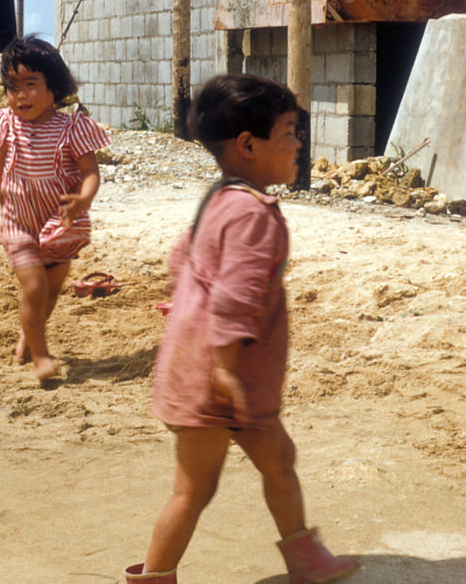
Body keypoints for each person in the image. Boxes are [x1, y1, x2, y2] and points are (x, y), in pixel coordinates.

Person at [124, 73, 357, 584]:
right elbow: (236, 294)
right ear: (248, 144)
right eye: (290, 132)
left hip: (215, 369)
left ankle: (305, 556)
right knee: (194, 489)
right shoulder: (253, 214)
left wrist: (185, 314)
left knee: (278, 459)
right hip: (223, 380)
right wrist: (225, 368)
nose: (299, 144)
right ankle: (155, 576)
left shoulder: (220, 199)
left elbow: (183, 258)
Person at [0, 36, 108, 384]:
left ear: (53, 88)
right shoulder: (6, 122)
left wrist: (84, 200)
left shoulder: (73, 128)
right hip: (19, 221)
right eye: (12, 87)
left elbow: (90, 173)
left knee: (52, 291)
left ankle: (30, 333)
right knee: (35, 288)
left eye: (30, 85)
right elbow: (1, 154)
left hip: (59, 223)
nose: (20, 95)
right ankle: (41, 357)